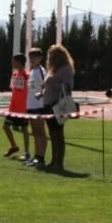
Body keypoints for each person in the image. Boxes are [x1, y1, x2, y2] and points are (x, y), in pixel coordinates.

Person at [41, 44, 75, 174]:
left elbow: (68, 87)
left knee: (58, 134)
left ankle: (59, 163)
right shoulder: (53, 69)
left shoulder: (66, 69)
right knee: (52, 134)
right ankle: (53, 160)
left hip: (58, 105)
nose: (48, 57)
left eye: (51, 55)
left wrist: (53, 82)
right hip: (48, 104)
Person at [24, 48, 48, 168]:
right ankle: (36, 156)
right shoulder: (31, 70)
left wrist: (42, 94)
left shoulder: (41, 70)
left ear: (40, 58)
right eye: (30, 57)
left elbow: (45, 85)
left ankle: (41, 157)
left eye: (34, 57)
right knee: (34, 132)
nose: (32, 59)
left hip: (39, 106)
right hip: (30, 106)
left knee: (40, 132)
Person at [3, 53, 30, 159]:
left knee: (24, 129)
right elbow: (13, 90)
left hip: (23, 108)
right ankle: (14, 146)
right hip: (13, 108)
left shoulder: (27, 75)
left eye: (13, 61)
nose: (12, 63)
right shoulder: (14, 74)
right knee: (5, 127)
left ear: (19, 62)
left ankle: (27, 153)